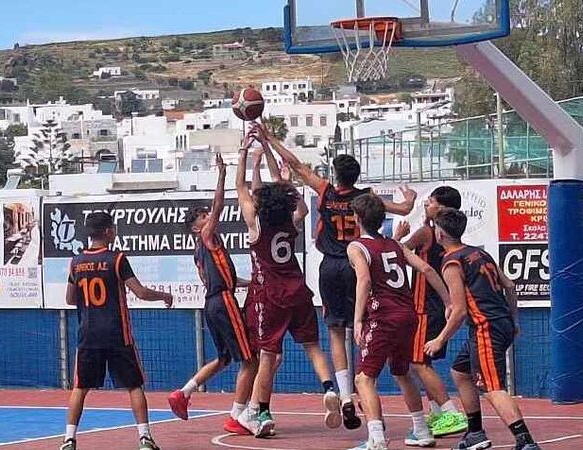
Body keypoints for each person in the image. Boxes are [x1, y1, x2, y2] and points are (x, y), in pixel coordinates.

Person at [254, 122, 416, 430]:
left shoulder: (325, 191)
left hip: (330, 267)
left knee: (335, 333)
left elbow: (295, 164)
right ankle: (364, 388)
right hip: (358, 263)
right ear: (357, 176)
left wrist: (269, 138)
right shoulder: (366, 198)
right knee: (364, 328)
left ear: (335, 174)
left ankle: (344, 396)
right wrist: (409, 198)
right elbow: (405, 209)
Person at [235, 134, 341, 438]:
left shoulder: (256, 224)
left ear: (259, 205)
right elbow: (290, 194)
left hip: (272, 295)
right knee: (312, 346)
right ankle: (329, 388)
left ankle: (263, 412)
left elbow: (240, 187)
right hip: (299, 289)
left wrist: (244, 153)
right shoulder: (291, 220)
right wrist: (268, 150)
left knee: (268, 356)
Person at [426, 208, 541, 450]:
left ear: (440, 234)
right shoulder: (479, 253)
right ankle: (475, 433)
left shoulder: (451, 262)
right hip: (501, 323)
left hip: (485, 328)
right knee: (460, 371)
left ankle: (525, 441)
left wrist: (440, 339)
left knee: (492, 388)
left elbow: (459, 311)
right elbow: (509, 286)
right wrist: (514, 320)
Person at [61, 212, 173, 450]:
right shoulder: (118, 259)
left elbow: (70, 299)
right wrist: (164, 295)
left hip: (88, 336)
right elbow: (140, 292)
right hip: (117, 334)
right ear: (108, 231)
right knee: (134, 385)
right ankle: (145, 438)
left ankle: (69, 440)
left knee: (80, 388)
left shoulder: (76, 262)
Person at [347, 194, 450, 450]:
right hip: (408, 316)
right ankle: (421, 430)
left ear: (357, 218)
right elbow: (426, 269)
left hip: (383, 317)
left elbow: (364, 281)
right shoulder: (394, 245)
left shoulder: (357, 247)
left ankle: (377, 439)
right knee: (402, 373)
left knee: (363, 379)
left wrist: (358, 320)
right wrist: (448, 301)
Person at [168, 153, 257, 436]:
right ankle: (237, 416)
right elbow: (219, 206)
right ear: (197, 228)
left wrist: (252, 283)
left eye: (207, 215)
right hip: (223, 301)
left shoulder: (202, 252)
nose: (209, 217)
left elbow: (226, 278)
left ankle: (183, 393)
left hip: (214, 301)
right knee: (251, 360)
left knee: (224, 359)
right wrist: (221, 174)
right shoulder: (206, 237)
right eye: (203, 217)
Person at [392, 186, 467, 437]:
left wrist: (397, 236)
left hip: (425, 306)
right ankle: (436, 413)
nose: (426, 204)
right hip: (440, 305)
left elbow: (396, 254)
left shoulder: (426, 233)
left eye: (431, 201)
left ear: (443, 208)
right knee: (425, 362)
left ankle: (450, 412)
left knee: (418, 362)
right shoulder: (450, 236)